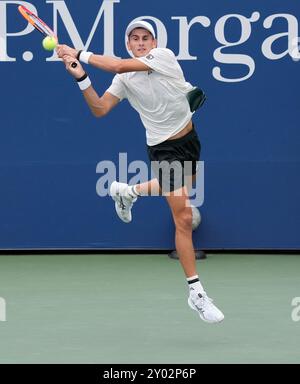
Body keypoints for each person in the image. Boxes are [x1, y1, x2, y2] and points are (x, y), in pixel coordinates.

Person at [57, 20, 224, 323]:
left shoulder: (163, 57)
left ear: (154, 43)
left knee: (183, 183)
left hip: (189, 138)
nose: (141, 42)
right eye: (135, 38)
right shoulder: (124, 80)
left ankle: (127, 191)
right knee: (183, 217)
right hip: (163, 148)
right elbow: (99, 108)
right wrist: (81, 77)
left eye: (146, 37)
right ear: (129, 44)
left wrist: (78, 52)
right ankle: (196, 293)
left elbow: (119, 65)